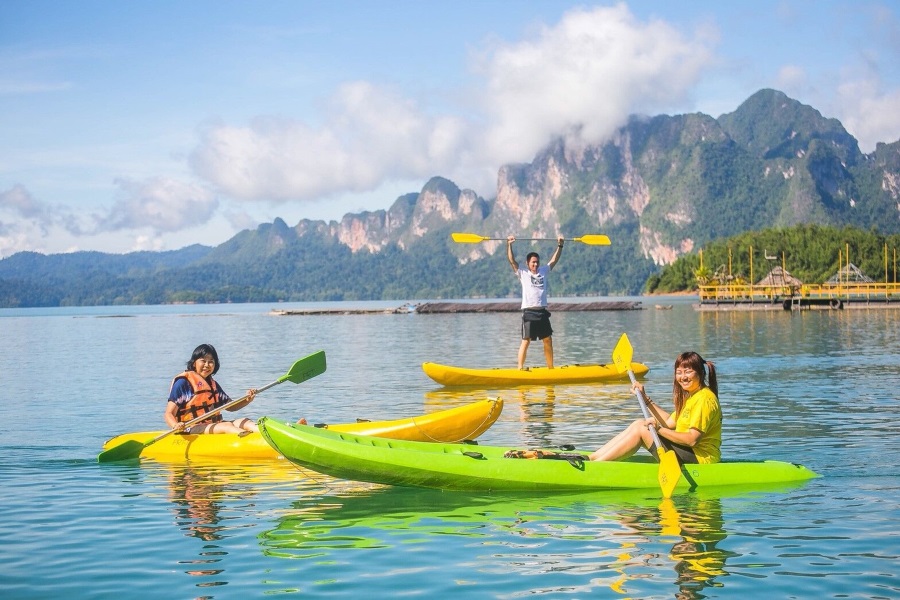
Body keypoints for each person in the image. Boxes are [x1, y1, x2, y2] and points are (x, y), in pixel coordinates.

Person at [590, 351, 722, 463]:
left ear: (700, 373)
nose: (683, 377)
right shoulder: (693, 397)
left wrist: (658, 430)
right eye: (679, 372)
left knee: (642, 430)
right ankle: (593, 458)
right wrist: (645, 398)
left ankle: (597, 466)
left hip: (701, 458)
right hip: (690, 451)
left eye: (688, 372)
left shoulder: (704, 399)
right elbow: (669, 423)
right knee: (639, 423)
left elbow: (692, 440)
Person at [164, 343, 259, 434]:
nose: (207, 365)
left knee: (244, 421)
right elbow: (169, 413)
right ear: (194, 363)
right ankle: (247, 440)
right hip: (190, 428)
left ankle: (262, 436)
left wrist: (247, 400)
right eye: (203, 361)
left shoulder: (212, 384)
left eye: (211, 362)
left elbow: (230, 406)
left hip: (212, 426)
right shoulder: (183, 383)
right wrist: (175, 425)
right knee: (226, 426)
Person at [507, 235, 565, 370]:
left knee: (548, 340)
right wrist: (509, 244)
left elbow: (554, 260)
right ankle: (520, 368)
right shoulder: (523, 272)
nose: (536, 264)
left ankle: (551, 369)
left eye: (537, 262)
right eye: (533, 262)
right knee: (525, 341)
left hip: (542, 313)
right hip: (529, 312)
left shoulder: (543, 271)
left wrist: (560, 245)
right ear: (528, 263)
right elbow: (511, 260)